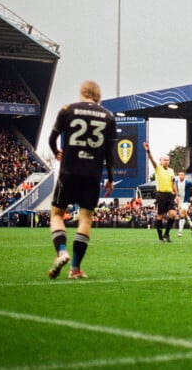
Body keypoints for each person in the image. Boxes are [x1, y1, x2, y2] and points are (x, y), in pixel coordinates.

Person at [47, 81, 116, 279]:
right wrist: (110, 178)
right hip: (92, 174)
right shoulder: (108, 117)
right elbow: (109, 154)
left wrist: (56, 153)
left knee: (57, 214)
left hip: (69, 170)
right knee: (85, 218)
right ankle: (75, 268)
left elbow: (51, 139)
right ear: (98, 96)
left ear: (82, 93)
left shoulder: (68, 110)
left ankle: (61, 251)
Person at [143, 142, 177, 242]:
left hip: (170, 194)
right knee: (160, 216)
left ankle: (167, 234)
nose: (166, 161)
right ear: (161, 161)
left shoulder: (171, 171)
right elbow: (152, 159)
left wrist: (176, 194)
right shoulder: (158, 168)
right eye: (164, 160)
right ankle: (160, 237)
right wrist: (148, 150)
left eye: (168, 160)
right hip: (161, 194)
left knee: (173, 214)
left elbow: (173, 183)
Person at [175, 170, 192, 236]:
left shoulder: (188, 182)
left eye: (182, 175)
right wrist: (175, 197)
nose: (180, 176)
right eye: (179, 175)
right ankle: (191, 224)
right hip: (179, 202)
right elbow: (173, 190)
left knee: (182, 214)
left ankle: (180, 231)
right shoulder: (176, 183)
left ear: (184, 176)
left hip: (186, 201)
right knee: (184, 214)